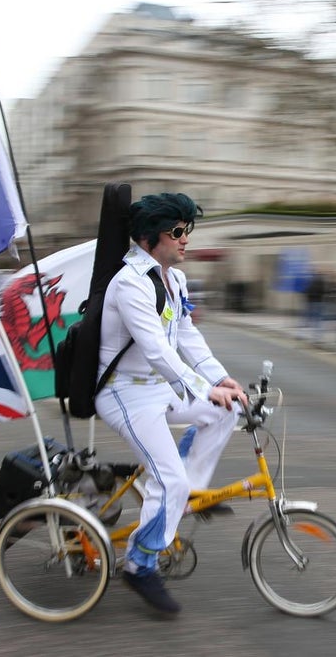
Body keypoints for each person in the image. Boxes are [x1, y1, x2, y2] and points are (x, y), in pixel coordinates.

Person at [94, 192, 247, 614]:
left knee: (228, 410)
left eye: (187, 230)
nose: (185, 239)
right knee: (169, 481)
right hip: (125, 394)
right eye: (177, 231)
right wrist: (203, 389)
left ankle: (185, 494)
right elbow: (158, 351)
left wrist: (220, 380)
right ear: (148, 238)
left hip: (159, 388)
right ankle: (140, 565)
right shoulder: (129, 284)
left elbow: (187, 337)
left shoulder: (174, 280)